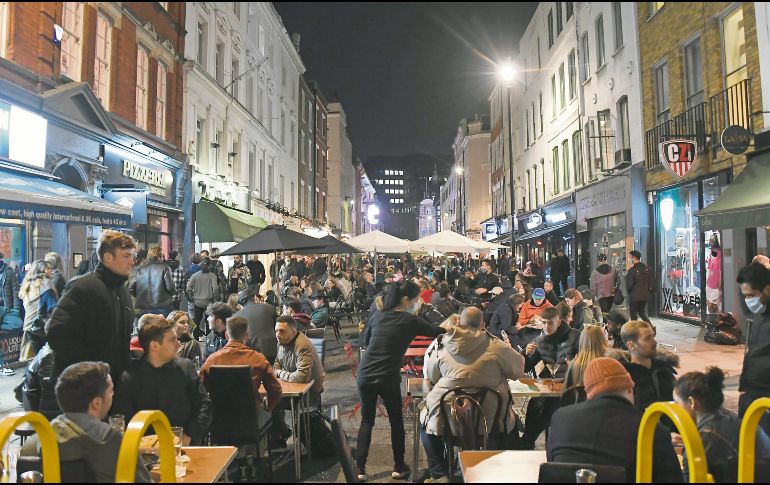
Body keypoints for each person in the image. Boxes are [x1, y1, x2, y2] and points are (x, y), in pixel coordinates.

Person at [356, 281, 448, 481]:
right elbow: (438, 330)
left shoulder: (377, 315)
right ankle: (399, 466)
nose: (417, 304)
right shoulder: (409, 321)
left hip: (365, 373)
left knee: (366, 420)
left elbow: (366, 340)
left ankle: (359, 469)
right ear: (406, 300)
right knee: (396, 422)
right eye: (416, 300)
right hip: (387, 375)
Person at [420, 307, 526, 481]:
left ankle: (440, 474)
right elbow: (518, 370)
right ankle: (501, 470)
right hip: (491, 424)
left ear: (459, 323)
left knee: (426, 425)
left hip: (448, 424)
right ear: (483, 325)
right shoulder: (497, 346)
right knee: (511, 424)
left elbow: (431, 376)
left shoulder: (442, 344)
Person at [547, 358, 683, 483]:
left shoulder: (560, 417)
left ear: (588, 393)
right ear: (630, 388)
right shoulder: (651, 430)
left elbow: (552, 463)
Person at [21, 361, 152, 483]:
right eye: (111, 391)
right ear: (97, 403)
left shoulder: (32, 445)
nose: (113, 395)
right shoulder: (117, 444)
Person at [46, 231, 136, 387]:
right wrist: (93, 366)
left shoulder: (121, 291)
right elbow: (56, 332)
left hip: (111, 385)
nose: (132, 262)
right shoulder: (83, 287)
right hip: (83, 387)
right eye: (126, 256)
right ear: (108, 257)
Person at [113, 315, 212, 445]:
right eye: (172, 340)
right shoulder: (130, 378)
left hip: (185, 448)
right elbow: (123, 419)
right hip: (145, 453)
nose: (178, 344)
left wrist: (189, 435)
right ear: (155, 346)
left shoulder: (185, 368)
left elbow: (204, 405)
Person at [674, 367, 770, 483]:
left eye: (677, 403)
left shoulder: (701, 442)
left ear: (691, 402)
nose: (675, 408)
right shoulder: (734, 419)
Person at [520, 306, 580, 450]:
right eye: (543, 322)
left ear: (558, 322)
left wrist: (575, 365)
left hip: (571, 385)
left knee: (550, 407)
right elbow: (526, 367)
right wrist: (525, 352)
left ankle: (527, 441)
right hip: (548, 385)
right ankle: (528, 440)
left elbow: (585, 360)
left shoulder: (575, 335)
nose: (546, 326)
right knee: (535, 404)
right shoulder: (540, 340)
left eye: (550, 323)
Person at [200, 316, 283, 411]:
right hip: (251, 419)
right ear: (247, 336)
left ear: (227, 335)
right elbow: (276, 390)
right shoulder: (258, 359)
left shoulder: (212, 360)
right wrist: (267, 406)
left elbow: (199, 390)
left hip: (218, 419)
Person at [610, 320, 679, 424]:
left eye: (653, 336)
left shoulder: (664, 369)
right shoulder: (624, 379)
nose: (655, 342)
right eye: (648, 339)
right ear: (631, 345)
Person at [736, 262, 770, 435]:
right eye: (745, 296)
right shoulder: (760, 314)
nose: (749, 301)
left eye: (752, 296)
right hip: (750, 391)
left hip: (765, 396)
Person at [19, 260, 58, 360]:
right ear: (42, 270)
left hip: (28, 326)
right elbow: (53, 308)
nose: (51, 270)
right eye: (48, 268)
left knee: (31, 359)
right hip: (40, 327)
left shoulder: (29, 284)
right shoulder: (46, 283)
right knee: (45, 360)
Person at [130, 246, 176, 322]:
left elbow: (131, 288)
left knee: (146, 331)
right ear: (160, 255)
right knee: (162, 330)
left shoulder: (139, 269)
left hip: (143, 306)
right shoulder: (165, 268)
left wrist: (140, 296)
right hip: (162, 305)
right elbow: (171, 288)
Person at [15, 342, 59, 420]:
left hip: (37, 403)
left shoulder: (50, 348)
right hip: (41, 414)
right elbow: (49, 395)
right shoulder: (50, 354)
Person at [234, 288, 278, 364]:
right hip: (271, 351)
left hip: (250, 354)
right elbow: (277, 328)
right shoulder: (269, 308)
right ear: (255, 297)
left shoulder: (236, 316)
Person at [186, 258, 219, 338]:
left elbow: (188, 288)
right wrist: (215, 299)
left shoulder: (195, 275)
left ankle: (195, 336)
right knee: (208, 321)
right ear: (210, 265)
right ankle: (208, 337)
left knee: (196, 320)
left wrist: (191, 297)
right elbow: (215, 288)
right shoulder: (212, 276)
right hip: (209, 301)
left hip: (197, 302)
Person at [626, 250, 655, 323]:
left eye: (629, 257)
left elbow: (629, 285)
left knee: (633, 315)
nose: (628, 259)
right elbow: (652, 282)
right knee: (642, 312)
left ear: (634, 258)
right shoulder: (647, 269)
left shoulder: (632, 270)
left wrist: (629, 292)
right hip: (645, 295)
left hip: (634, 296)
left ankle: (634, 331)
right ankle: (650, 327)